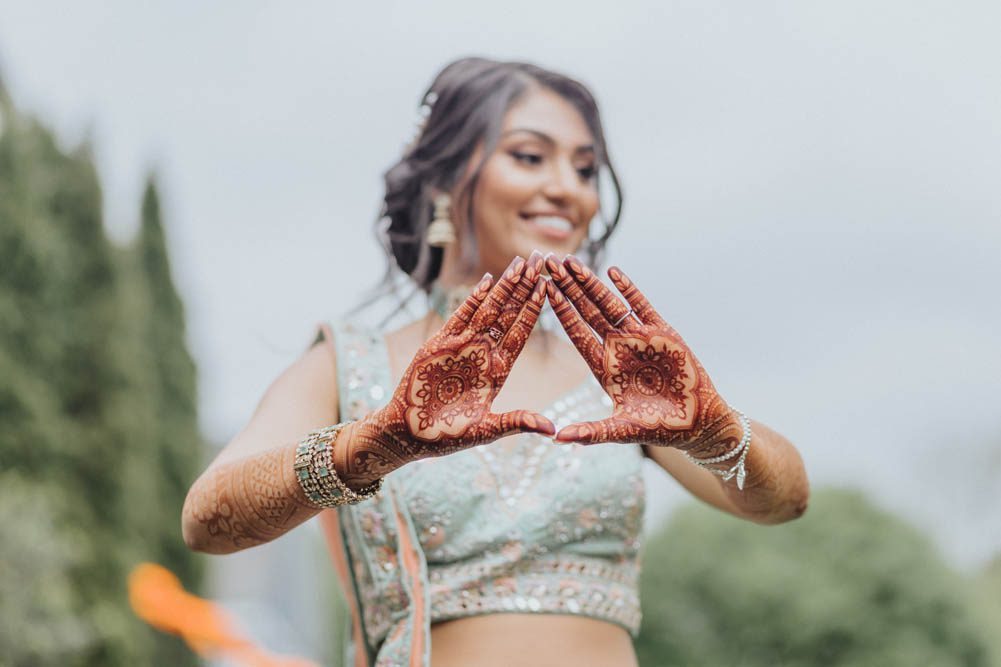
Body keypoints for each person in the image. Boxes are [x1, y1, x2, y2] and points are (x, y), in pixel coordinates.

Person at [181, 57, 810, 667]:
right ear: (443, 182)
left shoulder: (624, 380)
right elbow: (208, 521)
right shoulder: (350, 366)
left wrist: (717, 432)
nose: (567, 188)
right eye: (529, 156)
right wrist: (374, 446)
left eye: (586, 169)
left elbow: (784, 502)